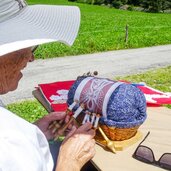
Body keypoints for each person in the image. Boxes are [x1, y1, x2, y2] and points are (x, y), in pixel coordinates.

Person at [0, 0, 96, 171]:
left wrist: (33, 134)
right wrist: (69, 163)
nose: (31, 58)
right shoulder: (6, 141)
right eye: (24, 46)